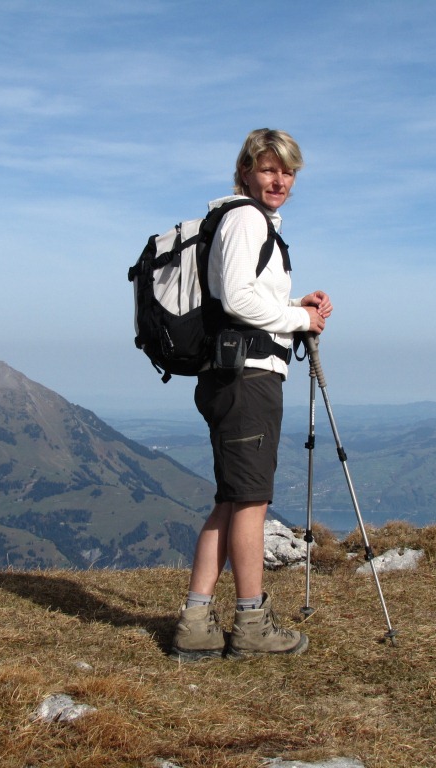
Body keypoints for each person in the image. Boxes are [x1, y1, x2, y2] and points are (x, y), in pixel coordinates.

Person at [170, 129, 332, 661]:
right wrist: (299, 320)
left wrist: (293, 303)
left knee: (232, 499)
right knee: (251, 503)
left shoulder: (244, 220)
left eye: (287, 172)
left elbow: (241, 294)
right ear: (245, 171)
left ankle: (196, 622)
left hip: (233, 376)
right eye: (268, 169)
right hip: (248, 380)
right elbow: (238, 299)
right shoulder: (245, 219)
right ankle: (251, 625)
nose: (279, 180)